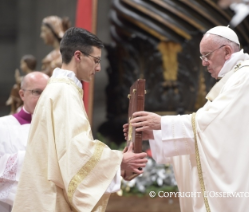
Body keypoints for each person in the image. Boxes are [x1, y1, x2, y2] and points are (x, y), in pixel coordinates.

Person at [124, 26, 249, 212]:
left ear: (226, 51)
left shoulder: (247, 77)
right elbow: (213, 130)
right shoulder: (236, 78)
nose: (204, 63)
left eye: (206, 55)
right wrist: (155, 133)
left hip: (248, 180)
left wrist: (162, 123)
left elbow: (210, 124)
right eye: (201, 57)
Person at [12, 27, 148, 212]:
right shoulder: (64, 92)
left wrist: (117, 165)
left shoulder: (58, 88)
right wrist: (119, 161)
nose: (98, 67)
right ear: (78, 56)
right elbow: (75, 151)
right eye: (96, 60)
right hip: (51, 202)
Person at [0, 72, 49, 212]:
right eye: (37, 92)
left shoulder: (59, 129)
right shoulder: (2, 126)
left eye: (47, 92)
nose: (43, 98)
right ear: (22, 95)